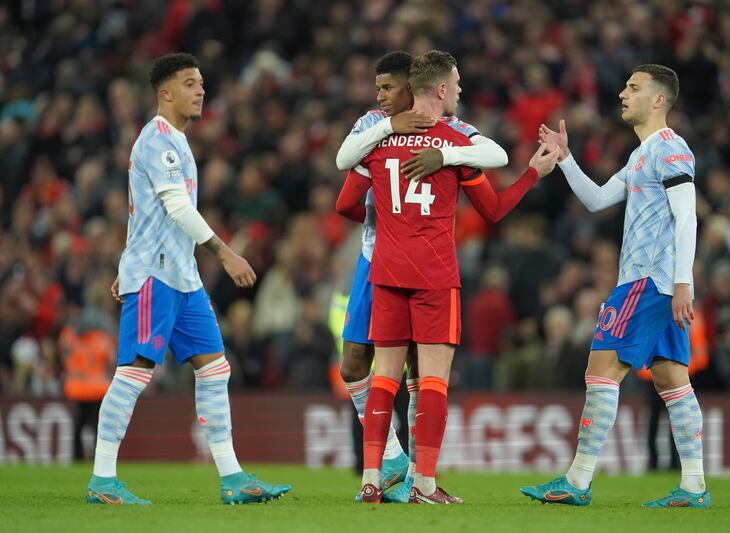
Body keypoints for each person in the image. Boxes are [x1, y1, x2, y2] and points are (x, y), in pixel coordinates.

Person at [337, 50, 559, 504]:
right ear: (440, 89)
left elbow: (345, 186)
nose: (460, 90)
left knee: (384, 379)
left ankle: (371, 481)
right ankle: (423, 484)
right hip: (435, 273)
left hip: (385, 268)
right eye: (456, 83)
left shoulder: (376, 139)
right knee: (432, 382)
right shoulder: (455, 144)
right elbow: (493, 209)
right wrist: (533, 173)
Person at [85, 53, 291, 505]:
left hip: (182, 277)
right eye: (190, 83)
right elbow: (176, 208)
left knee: (215, 368)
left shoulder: (177, 140)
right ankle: (102, 480)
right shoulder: (156, 140)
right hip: (156, 275)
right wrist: (226, 252)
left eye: (201, 83)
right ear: (166, 93)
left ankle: (233, 478)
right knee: (135, 372)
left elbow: (147, 212)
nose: (200, 90)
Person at [522, 64, 709, 508]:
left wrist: (683, 282)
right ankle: (695, 486)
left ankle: (578, 481)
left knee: (600, 371)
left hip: (648, 281)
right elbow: (597, 200)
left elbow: (687, 216)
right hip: (659, 282)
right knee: (672, 381)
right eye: (625, 85)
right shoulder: (641, 155)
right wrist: (566, 159)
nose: (623, 93)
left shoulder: (670, 148)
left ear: (659, 100)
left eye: (634, 87)